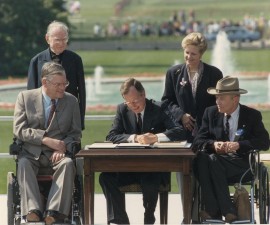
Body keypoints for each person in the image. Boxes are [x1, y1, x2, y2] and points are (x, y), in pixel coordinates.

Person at [99, 78, 185, 224]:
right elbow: (111, 136)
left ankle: (149, 216)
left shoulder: (159, 108)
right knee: (105, 177)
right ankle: (120, 220)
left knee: (150, 177)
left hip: (154, 168)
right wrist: (134, 138)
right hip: (128, 168)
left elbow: (179, 131)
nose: (133, 106)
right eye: (129, 102)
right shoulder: (122, 109)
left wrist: (156, 138)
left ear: (143, 94)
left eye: (135, 101)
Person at [161, 32, 223, 222]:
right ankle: (188, 216)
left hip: (206, 134)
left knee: (203, 174)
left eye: (193, 54)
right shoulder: (174, 73)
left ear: (201, 54)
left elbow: (218, 103)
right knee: (184, 177)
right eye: (186, 53)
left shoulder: (214, 74)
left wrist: (205, 122)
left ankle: (200, 216)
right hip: (183, 134)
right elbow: (166, 101)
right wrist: (182, 116)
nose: (188, 57)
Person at [192, 76, 270, 223]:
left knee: (210, 160)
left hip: (241, 164)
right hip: (215, 163)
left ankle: (213, 211)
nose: (217, 102)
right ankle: (227, 210)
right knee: (201, 158)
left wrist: (240, 145)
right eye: (216, 98)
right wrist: (213, 145)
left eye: (221, 98)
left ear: (235, 99)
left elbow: (264, 142)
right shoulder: (210, 113)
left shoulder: (252, 115)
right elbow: (198, 141)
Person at [13, 62, 82, 225]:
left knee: (67, 164)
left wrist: (63, 146)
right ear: (45, 82)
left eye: (65, 83)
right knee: (23, 164)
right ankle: (33, 210)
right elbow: (19, 129)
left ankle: (54, 212)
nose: (62, 88)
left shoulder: (71, 101)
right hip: (32, 153)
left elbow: (75, 133)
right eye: (58, 84)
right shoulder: (25, 97)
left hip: (58, 154)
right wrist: (45, 139)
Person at [27, 20, 86, 130]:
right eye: (57, 40)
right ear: (47, 39)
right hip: (42, 120)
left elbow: (81, 92)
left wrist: (80, 121)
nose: (61, 43)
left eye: (64, 39)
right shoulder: (36, 61)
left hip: (69, 118)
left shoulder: (76, 60)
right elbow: (31, 94)